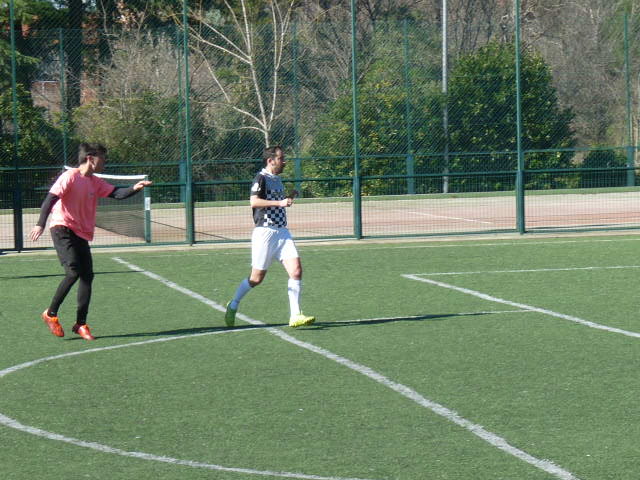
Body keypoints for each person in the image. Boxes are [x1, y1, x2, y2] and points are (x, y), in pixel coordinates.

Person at [29, 142, 152, 340]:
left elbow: (117, 193)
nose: (105, 162)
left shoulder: (95, 182)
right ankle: (50, 314)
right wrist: (40, 224)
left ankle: (81, 323)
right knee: (73, 272)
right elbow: (50, 199)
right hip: (62, 228)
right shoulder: (69, 177)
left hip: (81, 232)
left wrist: (135, 188)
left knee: (87, 276)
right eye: (102, 158)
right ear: (90, 158)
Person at [224, 145, 315, 328]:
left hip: (282, 232)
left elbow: (277, 203)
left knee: (296, 271)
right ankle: (233, 304)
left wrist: (289, 197)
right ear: (270, 160)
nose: (284, 162)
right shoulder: (261, 178)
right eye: (281, 159)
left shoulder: (277, 179)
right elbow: (254, 201)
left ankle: (295, 315)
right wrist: (280, 202)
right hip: (265, 232)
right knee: (256, 278)